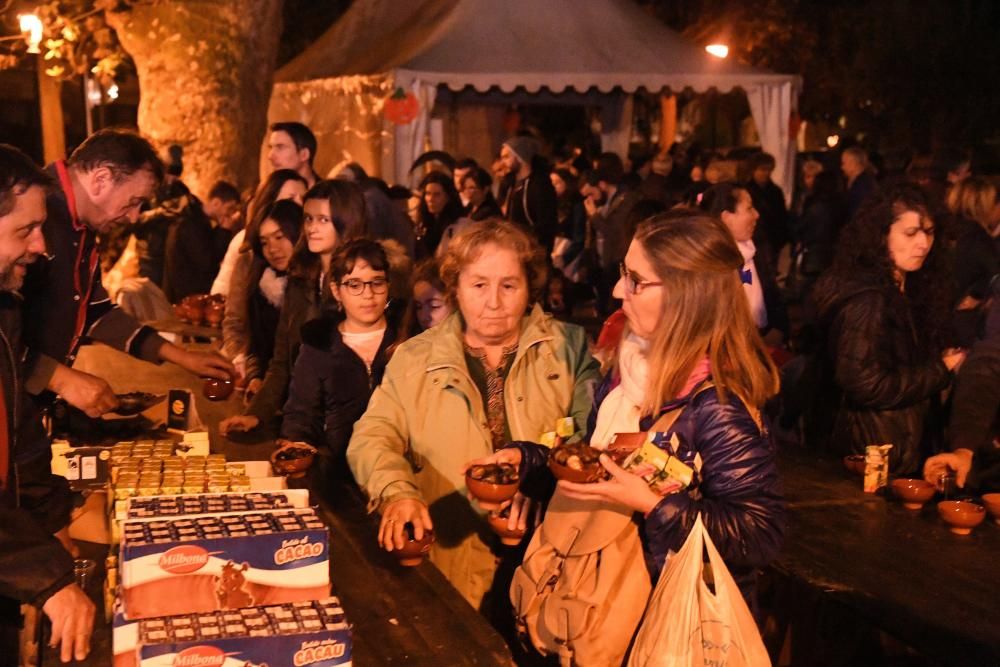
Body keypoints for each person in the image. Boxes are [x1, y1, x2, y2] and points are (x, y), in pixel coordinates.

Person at [471, 211, 784, 630]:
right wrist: (527, 462)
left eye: (637, 280)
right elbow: (603, 472)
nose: (619, 289)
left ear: (687, 294)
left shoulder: (718, 405)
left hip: (672, 626)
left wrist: (654, 505)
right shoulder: (630, 371)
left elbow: (760, 534)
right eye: (623, 273)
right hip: (609, 609)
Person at [347, 220, 600, 612]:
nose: (494, 302)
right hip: (452, 550)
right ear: (456, 288)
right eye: (479, 285)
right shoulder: (415, 358)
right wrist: (396, 492)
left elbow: (590, 436)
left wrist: (545, 485)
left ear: (529, 287)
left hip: (549, 558)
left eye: (509, 285)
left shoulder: (568, 348)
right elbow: (373, 435)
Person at [21, 129, 233, 423]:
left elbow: (96, 310)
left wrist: (182, 356)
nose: (134, 217)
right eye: (134, 201)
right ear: (101, 179)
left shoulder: (79, 227)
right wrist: (59, 378)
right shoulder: (36, 214)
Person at [0, 144, 95, 663]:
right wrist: (46, 577)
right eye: (24, 231)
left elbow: (19, 438)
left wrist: (51, 515)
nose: (41, 245)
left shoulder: (4, 310)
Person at [810, 184, 963, 474]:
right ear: (880, 235)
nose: (923, 244)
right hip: (872, 452)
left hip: (894, 446)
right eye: (910, 233)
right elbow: (863, 383)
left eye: (929, 232)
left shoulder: (907, 286)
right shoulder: (868, 299)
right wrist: (940, 370)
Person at [220, 180, 367, 437]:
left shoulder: (365, 281)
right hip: (306, 423)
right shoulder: (301, 279)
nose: (311, 228)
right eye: (309, 219)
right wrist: (256, 413)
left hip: (353, 427)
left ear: (346, 220)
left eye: (323, 220)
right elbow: (282, 362)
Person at [282, 239, 400, 497]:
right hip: (340, 480)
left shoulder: (408, 342)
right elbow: (301, 413)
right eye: (354, 285)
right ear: (337, 290)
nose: (367, 295)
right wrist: (297, 446)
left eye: (376, 283)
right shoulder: (319, 345)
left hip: (400, 475)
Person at [222, 199, 302, 403]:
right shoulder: (263, 285)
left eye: (279, 237)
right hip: (275, 397)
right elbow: (258, 345)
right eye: (265, 242)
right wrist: (255, 377)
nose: (273, 249)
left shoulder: (314, 286)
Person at [700, 182, 788, 345]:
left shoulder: (757, 249)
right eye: (749, 208)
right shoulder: (709, 264)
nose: (756, 215)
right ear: (726, 217)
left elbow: (773, 295)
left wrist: (778, 329)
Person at [212, 169, 307, 298]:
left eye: (304, 198)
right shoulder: (245, 244)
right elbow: (223, 291)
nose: (300, 204)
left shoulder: (312, 241)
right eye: (290, 199)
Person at [499, 136, 558, 251]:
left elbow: (546, 225)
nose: (503, 162)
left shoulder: (540, 186)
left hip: (533, 253)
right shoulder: (510, 185)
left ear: (519, 157)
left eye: (506, 157)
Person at [744, 152, 790, 264]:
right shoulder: (746, 191)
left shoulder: (775, 191)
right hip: (755, 238)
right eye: (762, 169)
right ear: (753, 170)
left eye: (769, 170)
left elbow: (781, 216)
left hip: (773, 238)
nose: (766, 173)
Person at [414, 171, 464, 258]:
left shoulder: (458, 226)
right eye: (428, 194)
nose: (431, 199)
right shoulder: (423, 224)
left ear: (448, 197)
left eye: (437, 195)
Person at [267, 121, 319, 187]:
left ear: (304, 155)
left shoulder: (329, 195)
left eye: (280, 147)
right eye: (270, 147)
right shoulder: (266, 194)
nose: (270, 156)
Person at [841, 146, 878, 222]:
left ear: (853, 163)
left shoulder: (863, 186)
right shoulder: (857, 182)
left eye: (844, 163)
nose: (842, 167)